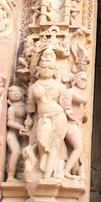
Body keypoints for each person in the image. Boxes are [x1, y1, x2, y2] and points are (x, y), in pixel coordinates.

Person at [25, 47, 70, 180]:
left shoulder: (60, 87)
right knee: (41, 142)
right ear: (38, 69)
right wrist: (27, 124)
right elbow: (30, 110)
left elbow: (66, 106)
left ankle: (48, 174)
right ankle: (41, 166)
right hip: (42, 118)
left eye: (50, 68)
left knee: (55, 145)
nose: (46, 70)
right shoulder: (33, 87)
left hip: (58, 116)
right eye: (43, 66)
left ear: (55, 71)